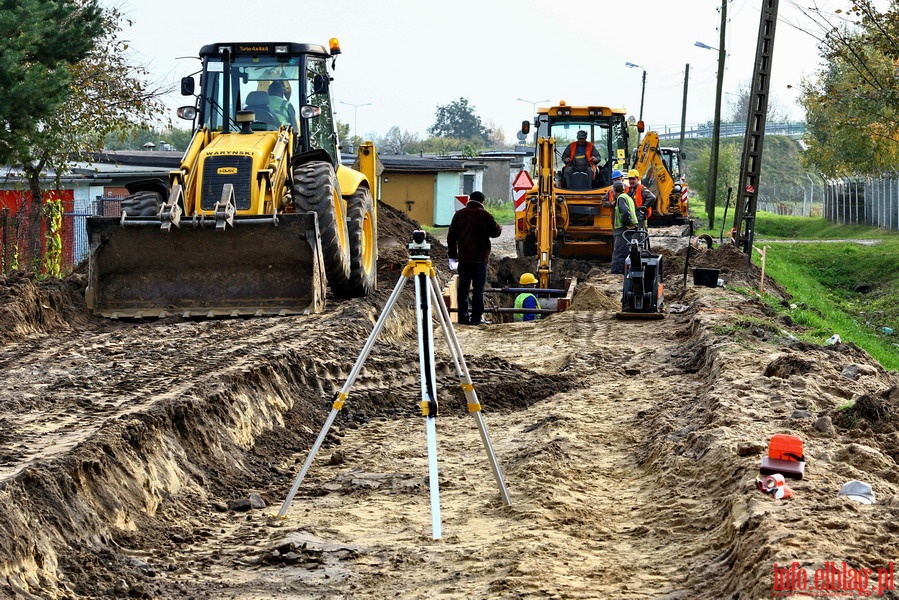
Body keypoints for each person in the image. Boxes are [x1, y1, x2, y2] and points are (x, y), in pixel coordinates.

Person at [447, 191, 502, 326]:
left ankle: (463, 317)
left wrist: (453, 256)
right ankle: (476, 318)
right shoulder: (484, 215)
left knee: (463, 289)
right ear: (482, 202)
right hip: (480, 259)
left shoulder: (459, 215)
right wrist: (499, 226)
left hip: (464, 259)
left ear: (469, 200)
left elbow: (451, 237)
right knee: (478, 289)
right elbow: (495, 232)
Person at [607, 180, 639, 274]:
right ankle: (625, 270)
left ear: (614, 190)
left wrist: (624, 222)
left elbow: (625, 212)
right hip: (630, 228)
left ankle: (617, 271)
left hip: (623, 228)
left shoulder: (621, 198)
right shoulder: (627, 197)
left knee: (619, 251)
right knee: (625, 250)